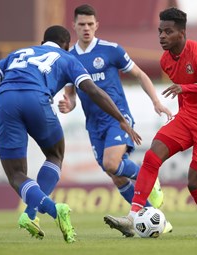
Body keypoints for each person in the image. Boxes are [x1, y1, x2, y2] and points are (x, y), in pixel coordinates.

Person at [0, 25, 141, 243]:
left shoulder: (17, 53)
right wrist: (120, 118)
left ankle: (43, 212)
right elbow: (92, 90)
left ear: (43, 42)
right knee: (54, 155)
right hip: (36, 99)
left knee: (16, 174)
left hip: (5, 100)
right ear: (66, 44)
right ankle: (33, 214)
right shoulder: (67, 57)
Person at [104, 7, 197, 237]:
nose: (162, 36)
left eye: (168, 31)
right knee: (152, 156)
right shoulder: (165, 61)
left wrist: (186, 88)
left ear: (182, 33)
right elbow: (184, 93)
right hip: (187, 118)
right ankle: (133, 217)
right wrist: (182, 113)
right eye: (160, 31)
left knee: (193, 182)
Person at [58, 4, 172, 212]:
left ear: (96, 25)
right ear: (73, 25)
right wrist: (68, 104)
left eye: (90, 24)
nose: (86, 28)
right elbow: (72, 95)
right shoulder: (68, 59)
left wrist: (156, 101)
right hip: (94, 124)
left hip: (117, 118)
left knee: (111, 163)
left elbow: (139, 74)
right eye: (82, 24)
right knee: (115, 175)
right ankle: (149, 215)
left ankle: (148, 177)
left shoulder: (111, 50)